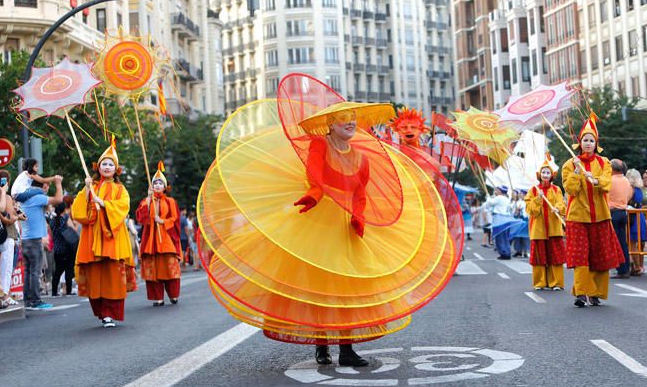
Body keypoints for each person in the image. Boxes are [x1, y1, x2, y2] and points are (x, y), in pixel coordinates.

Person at [197, 78, 460, 369]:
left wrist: (359, 216)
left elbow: (360, 192)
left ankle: (346, 349)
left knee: (347, 287)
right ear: (330, 124)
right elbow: (315, 174)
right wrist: (314, 192)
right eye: (343, 119)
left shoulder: (362, 157)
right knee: (319, 285)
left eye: (352, 119)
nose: (350, 123)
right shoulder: (319, 145)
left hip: (345, 225)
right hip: (318, 220)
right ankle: (321, 345)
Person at [71, 137, 137, 328]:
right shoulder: (90, 187)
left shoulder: (120, 189)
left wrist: (105, 205)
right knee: (95, 276)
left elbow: (123, 207)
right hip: (92, 237)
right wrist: (86, 191)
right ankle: (101, 313)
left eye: (110, 164)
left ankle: (110, 313)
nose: (107, 167)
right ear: (98, 167)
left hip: (113, 238)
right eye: (104, 164)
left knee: (113, 277)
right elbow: (79, 213)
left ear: (115, 169)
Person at [561, 113, 624, 308]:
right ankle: (581, 293)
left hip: (601, 217)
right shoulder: (570, 164)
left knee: (600, 256)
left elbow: (606, 183)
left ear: (596, 143)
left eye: (591, 140)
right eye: (585, 140)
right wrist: (579, 174)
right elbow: (570, 189)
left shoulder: (604, 162)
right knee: (580, 256)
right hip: (578, 217)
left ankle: (595, 293)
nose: (588, 143)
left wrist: (595, 180)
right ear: (580, 143)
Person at [136, 162, 182, 306]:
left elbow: (175, 219)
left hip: (166, 238)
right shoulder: (146, 200)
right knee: (153, 269)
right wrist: (149, 200)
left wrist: (162, 221)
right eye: (155, 183)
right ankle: (158, 297)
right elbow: (141, 217)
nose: (157, 186)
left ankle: (173, 294)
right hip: (150, 239)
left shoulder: (170, 201)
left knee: (170, 267)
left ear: (165, 186)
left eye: (160, 183)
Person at [21, 175, 64, 310]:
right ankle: (36, 300)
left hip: (26, 239)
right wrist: (58, 183)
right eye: (46, 185)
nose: (47, 188)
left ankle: (28, 300)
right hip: (34, 240)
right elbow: (58, 200)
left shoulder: (26, 199)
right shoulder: (37, 198)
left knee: (29, 271)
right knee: (35, 271)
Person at [525, 156, 565, 290]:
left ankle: (556, 283)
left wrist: (557, 208)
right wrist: (538, 199)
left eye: (548, 172)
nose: (545, 175)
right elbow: (531, 211)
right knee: (539, 257)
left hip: (554, 228)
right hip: (538, 230)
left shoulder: (556, 189)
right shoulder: (533, 190)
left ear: (552, 175)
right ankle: (540, 283)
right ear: (539, 175)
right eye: (543, 172)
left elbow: (561, 203)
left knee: (556, 257)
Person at [0, 169, 25, 305]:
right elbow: (10, 218)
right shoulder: (6, 197)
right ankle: (4, 295)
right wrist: (18, 216)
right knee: (6, 267)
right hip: (7, 235)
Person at [607, 159, 632, 279]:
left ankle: (620, 269)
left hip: (613, 212)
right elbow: (629, 195)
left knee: (615, 243)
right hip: (623, 212)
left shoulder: (610, 180)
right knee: (623, 242)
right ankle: (625, 268)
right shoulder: (626, 180)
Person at [50, 201, 78, 297]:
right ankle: (68, 290)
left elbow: (51, 232)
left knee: (58, 271)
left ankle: (54, 292)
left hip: (57, 249)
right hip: (67, 248)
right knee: (69, 270)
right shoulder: (65, 218)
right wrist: (76, 224)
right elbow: (74, 229)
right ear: (64, 209)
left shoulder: (53, 221)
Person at [625, 168, 647, 276]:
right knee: (638, 243)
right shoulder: (640, 189)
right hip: (640, 216)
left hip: (632, 217)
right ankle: (638, 265)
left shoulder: (631, 189)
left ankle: (636, 266)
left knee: (632, 243)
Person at [485, 185, 514, 260]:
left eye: (497, 190)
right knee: (505, 237)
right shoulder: (507, 199)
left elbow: (490, 203)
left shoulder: (499, 198)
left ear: (500, 191)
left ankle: (504, 253)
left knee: (499, 236)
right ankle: (506, 252)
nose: (496, 191)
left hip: (499, 218)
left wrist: (488, 197)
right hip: (506, 219)